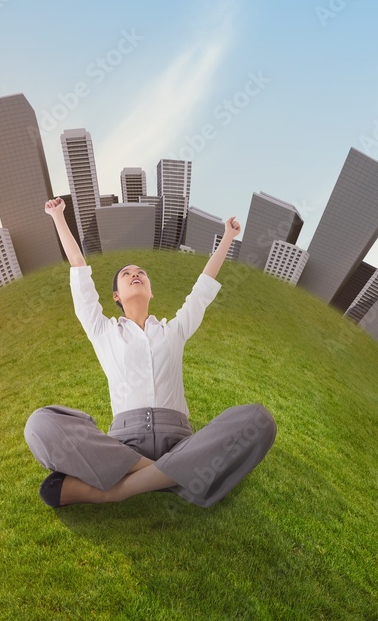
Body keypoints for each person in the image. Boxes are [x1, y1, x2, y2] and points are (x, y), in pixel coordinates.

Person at [23, 197, 277, 509]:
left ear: (151, 290)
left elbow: (203, 289)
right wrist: (58, 216)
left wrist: (227, 237)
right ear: (116, 295)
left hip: (181, 441)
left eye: (141, 273)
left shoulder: (174, 330)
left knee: (258, 419)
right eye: (126, 274)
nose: (135, 274)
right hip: (123, 447)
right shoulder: (103, 331)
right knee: (40, 424)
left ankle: (116, 489)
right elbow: (79, 270)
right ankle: (174, 477)